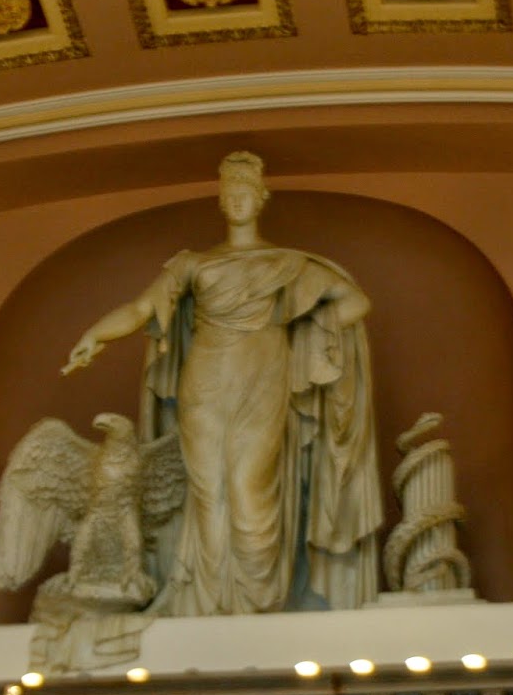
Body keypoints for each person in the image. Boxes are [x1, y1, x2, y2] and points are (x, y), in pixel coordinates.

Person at [63, 152, 383, 615]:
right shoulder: (193, 264)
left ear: (261, 198)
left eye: (244, 193)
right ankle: (212, 606)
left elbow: (356, 302)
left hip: (263, 379)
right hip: (205, 382)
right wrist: (95, 334)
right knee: (207, 493)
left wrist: (301, 337)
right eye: (228, 193)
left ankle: (257, 605)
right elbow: (141, 309)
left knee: (249, 488)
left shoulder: (286, 263)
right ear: (220, 200)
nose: (235, 201)